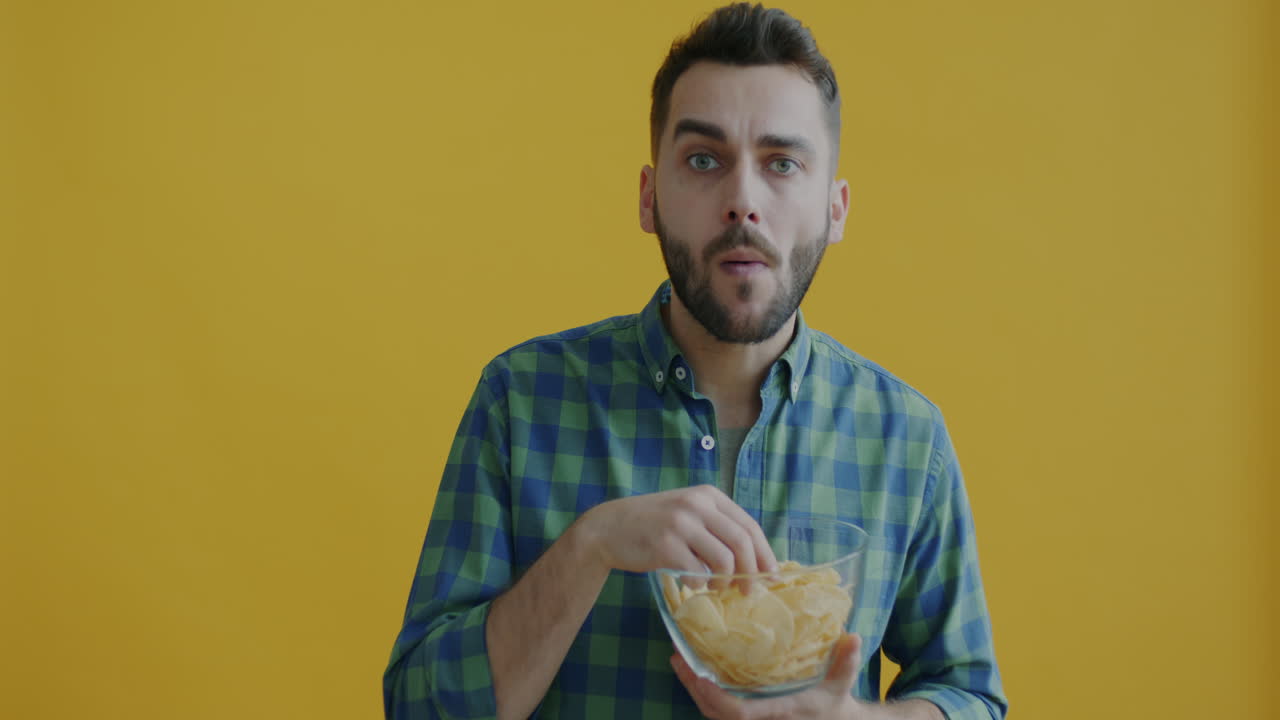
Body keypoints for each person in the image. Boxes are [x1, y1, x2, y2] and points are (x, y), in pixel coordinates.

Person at [383, 4, 1006, 718]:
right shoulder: (518, 403)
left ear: (836, 210)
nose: (743, 201)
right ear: (650, 198)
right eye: (704, 160)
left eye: (783, 163)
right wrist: (589, 547)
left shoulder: (908, 439)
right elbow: (418, 708)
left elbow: (968, 695)